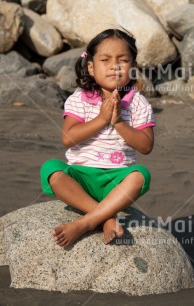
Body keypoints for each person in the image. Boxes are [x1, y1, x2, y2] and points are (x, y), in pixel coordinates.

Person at [40, 29, 155, 248]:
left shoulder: (138, 104)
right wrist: (102, 119)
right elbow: (68, 138)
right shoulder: (79, 99)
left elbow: (146, 145)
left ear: (133, 67)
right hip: (80, 176)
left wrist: (119, 123)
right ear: (91, 67)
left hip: (117, 179)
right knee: (51, 169)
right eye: (105, 60)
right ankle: (105, 217)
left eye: (123, 60)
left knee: (141, 175)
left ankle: (86, 222)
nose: (115, 66)